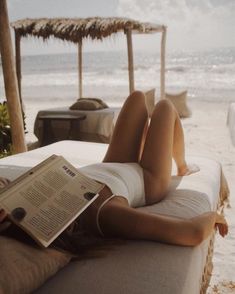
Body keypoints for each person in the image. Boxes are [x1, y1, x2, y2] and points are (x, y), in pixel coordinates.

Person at [0, 91, 228, 247]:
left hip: (109, 165)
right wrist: (212, 217)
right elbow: (190, 233)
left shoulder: (20, 200)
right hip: (146, 179)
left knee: (137, 98)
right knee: (165, 107)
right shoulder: (105, 215)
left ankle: (174, 161)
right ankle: (182, 165)